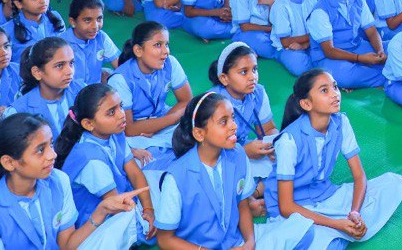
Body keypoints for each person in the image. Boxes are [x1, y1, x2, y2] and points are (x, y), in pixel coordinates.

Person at [265, 69, 402, 248]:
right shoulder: (288, 141)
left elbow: (359, 177)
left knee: (394, 183)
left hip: (327, 195)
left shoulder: (341, 123)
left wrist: (355, 213)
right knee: (317, 238)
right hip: (295, 208)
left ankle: (339, 231)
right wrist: (337, 224)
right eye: (324, 90)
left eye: (335, 87)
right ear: (306, 104)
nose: (335, 94)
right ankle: (337, 233)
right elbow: (286, 206)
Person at [155, 92, 310, 249]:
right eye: (224, 122)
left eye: (233, 118)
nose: (234, 126)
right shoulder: (176, 177)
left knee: (303, 228)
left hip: (235, 242)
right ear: (199, 133)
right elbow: (165, 239)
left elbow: (242, 205)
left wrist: (249, 242)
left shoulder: (237, 154)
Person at [0, 112, 143, 250]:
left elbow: (66, 245)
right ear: (9, 162)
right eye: (40, 150)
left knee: (124, 219)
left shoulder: (58, 180)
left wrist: (101, 210)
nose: (53, 155)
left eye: (50, 144)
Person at [53, 83, 156, 243]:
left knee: (164, 183)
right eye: (111, 112)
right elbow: (117, 204)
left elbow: (135, 173)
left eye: (120, 106)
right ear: (88, 124)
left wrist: (148, 209)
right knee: (159, 225)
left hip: (120, 196)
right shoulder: (91, 159)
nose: (121, 115)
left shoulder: (115, 132)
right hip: (97, 218)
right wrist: (147, 218)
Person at [107, 21, 192, 156]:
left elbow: (187, 101)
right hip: (136, 133)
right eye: (158, 45)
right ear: (138, 51)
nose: (165, 51)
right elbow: (128, 128)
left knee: (198, 131)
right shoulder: (120, 79)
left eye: (166, 44)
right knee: (150, 156)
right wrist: (172, 119)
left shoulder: (170, 63)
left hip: (163, 119)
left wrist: (157, 126)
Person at [307, 0, 387, 89]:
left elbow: (371, 31)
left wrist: (380, 51)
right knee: (346, 77)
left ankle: (381, 71)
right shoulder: (320, 11)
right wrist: (360, 58)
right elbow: (329, 51)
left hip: (356, 46)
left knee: (394, 48)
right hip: (329, 57)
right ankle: (390, 74)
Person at [207, 41, 276, 180]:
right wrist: (244, 152)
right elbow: (208, 151)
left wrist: (273, 144)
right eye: (244, 72)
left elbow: (268, 129)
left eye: (254, 69)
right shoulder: (214, 103)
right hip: (218, 155)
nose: (252, 77)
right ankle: (256, 192)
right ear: (224, 78)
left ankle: (256, 191)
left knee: (282, 164)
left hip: (242, 146)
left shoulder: (258, 92)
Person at [271, 0, 316, 76]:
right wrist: (312, 37)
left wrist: (305, 45)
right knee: (300, 67)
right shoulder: (280, 6)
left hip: (310, 43)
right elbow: (285, 42)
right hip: (288, 48)